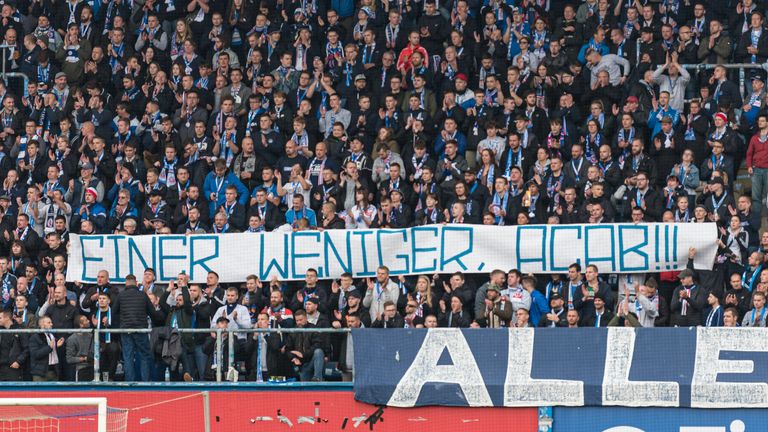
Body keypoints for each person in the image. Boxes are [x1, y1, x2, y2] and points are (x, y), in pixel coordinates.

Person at [114, 274, 162, 382]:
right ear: (136, 283)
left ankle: (129, 382)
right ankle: (145, 382)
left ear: (126, 283)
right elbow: (152, 312)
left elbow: (113, 312)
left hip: (126, 330)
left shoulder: (121, 295)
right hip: (141, 329)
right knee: (144, 355)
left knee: (128, 356)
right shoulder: (143, 295)